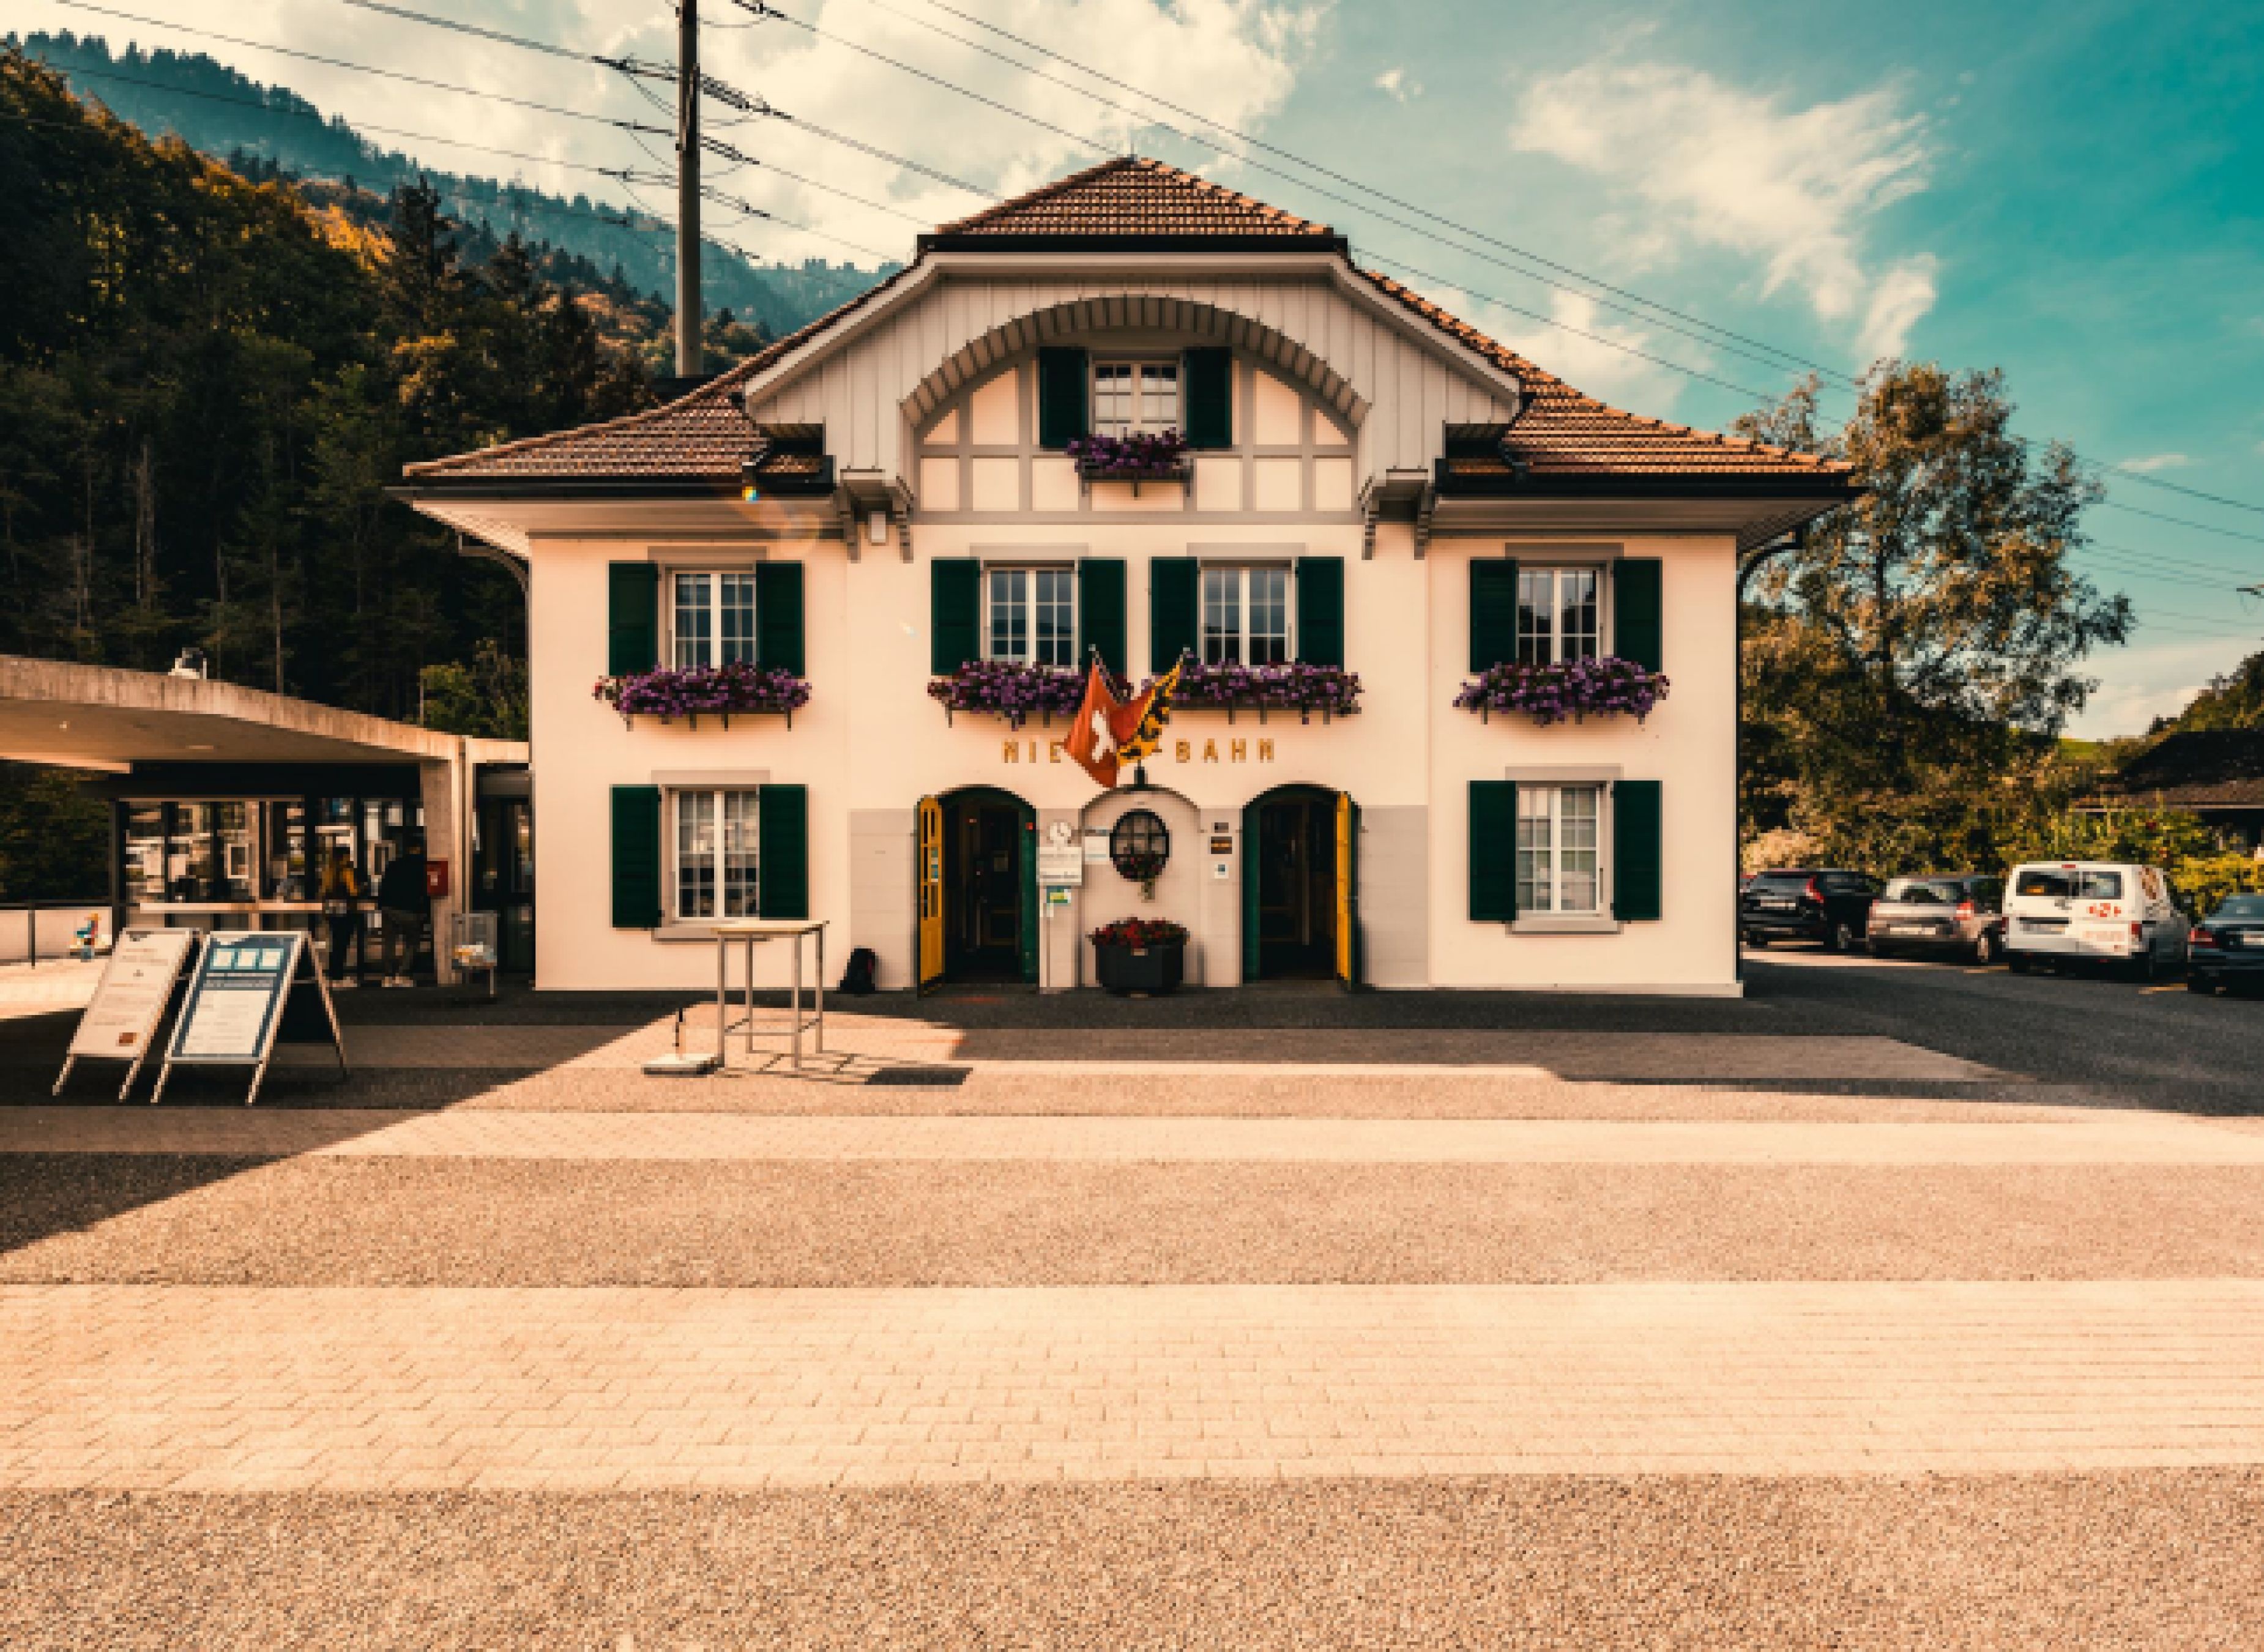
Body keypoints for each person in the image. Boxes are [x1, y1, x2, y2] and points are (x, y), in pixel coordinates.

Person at [376, 838, 431, 989]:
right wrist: (424, 911)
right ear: (419, 848)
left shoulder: (393, 865)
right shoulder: (422, 866)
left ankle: (387, 977)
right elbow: (426, 890)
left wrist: (381, 905)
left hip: (389, 908)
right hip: (409, 909)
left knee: (389, 943)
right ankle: (403, 974)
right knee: (412, 942)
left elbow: (384, 886)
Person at [319, 848, 366, 988]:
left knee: (335, 943)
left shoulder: (328, 872)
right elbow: (353, 891)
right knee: (343, 943)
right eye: (348, 855)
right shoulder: (347, 871)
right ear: (344, 856)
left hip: (332, 912)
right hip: (345, 911)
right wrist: (363, 887)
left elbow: (323, 892)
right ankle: (339, 976)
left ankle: (333, 976)